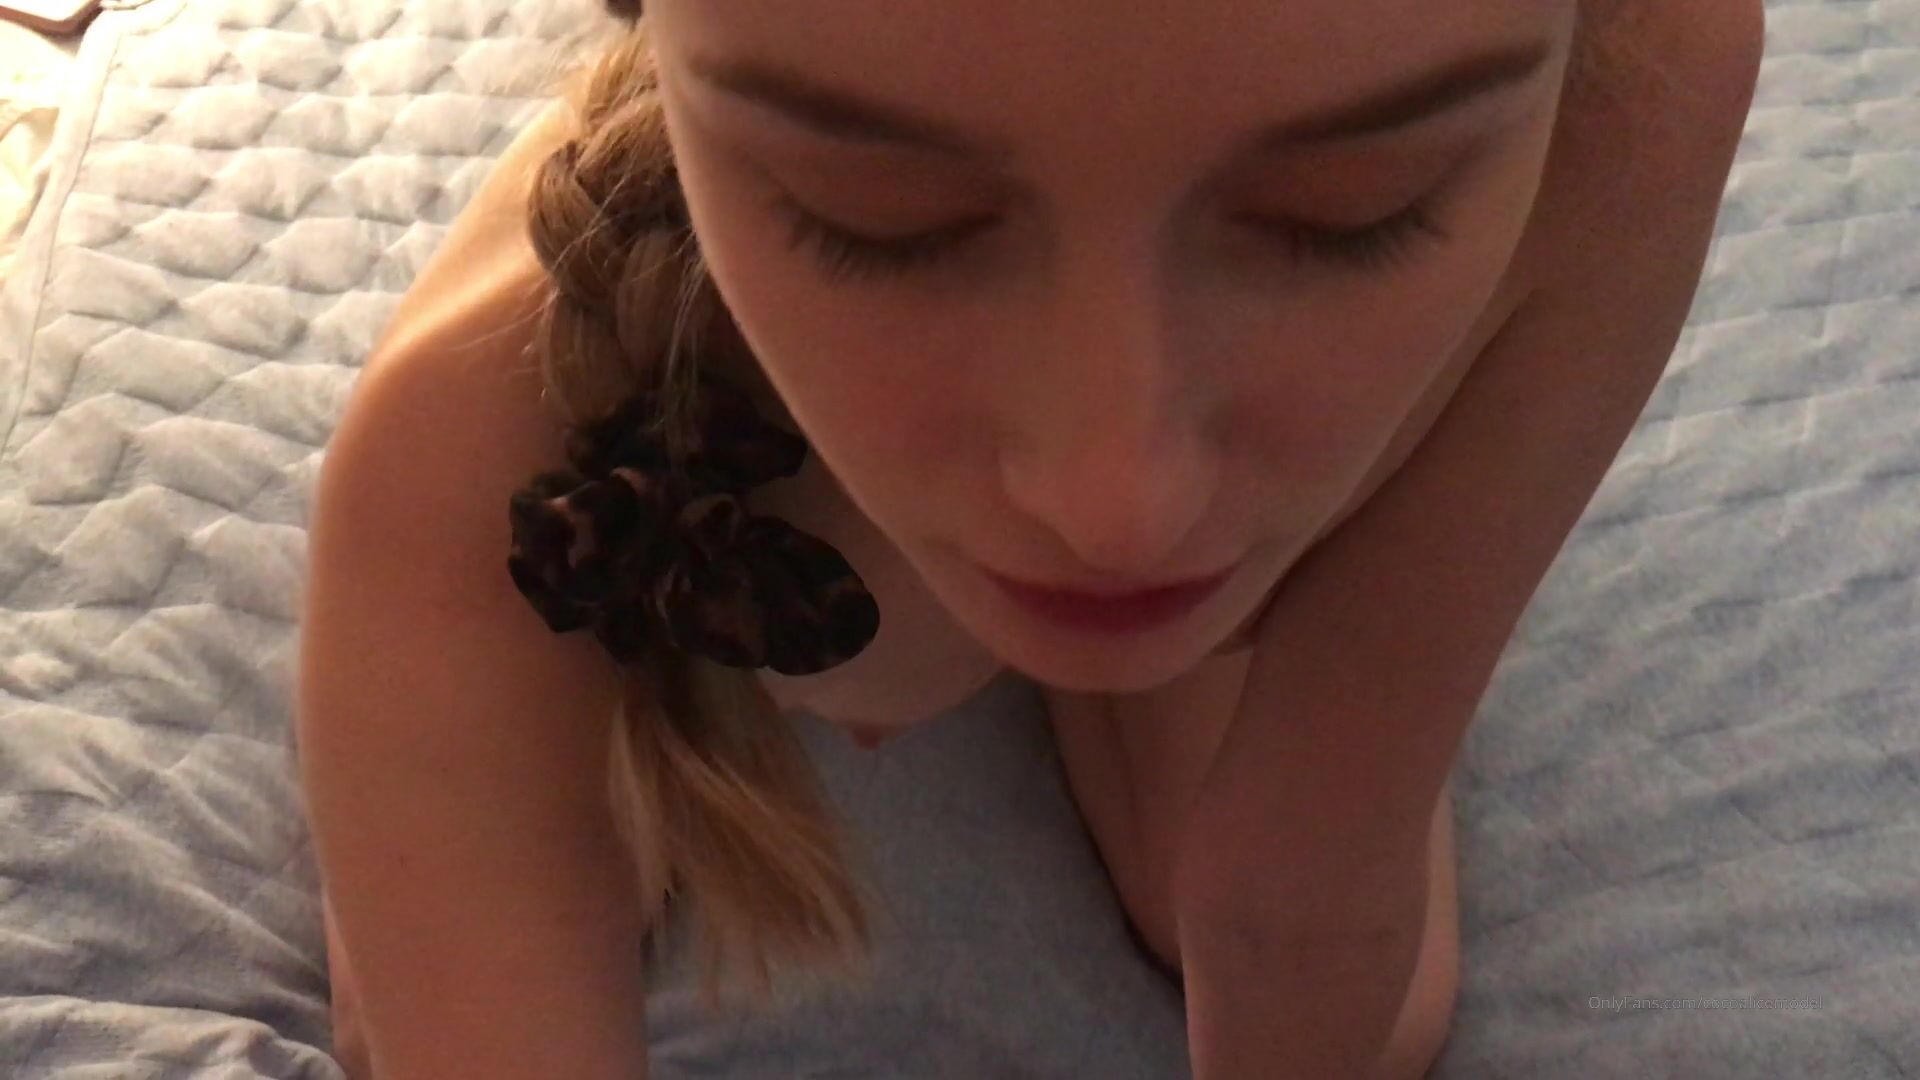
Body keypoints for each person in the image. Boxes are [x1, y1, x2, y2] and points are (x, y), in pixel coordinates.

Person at [298, 1, 1763, 1077]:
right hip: (637, 486)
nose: (1117, 503)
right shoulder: (475, 479)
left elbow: (1310, 866)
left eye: (1351, 209)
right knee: (423, 988)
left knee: (1377, 1022)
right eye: (878, 216)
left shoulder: (1645, 70)